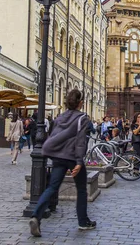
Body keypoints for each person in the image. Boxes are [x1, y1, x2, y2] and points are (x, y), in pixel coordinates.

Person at [29, 89, 96, 237]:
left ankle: (36, 216)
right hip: (72, 157)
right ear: (80, 103)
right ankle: (83, 222)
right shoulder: (82, 118)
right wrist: (79, 161)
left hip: (58, 157)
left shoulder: (60, 117)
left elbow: (53, 135)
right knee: (81, 189)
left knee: (52, 187)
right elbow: (80, 141)